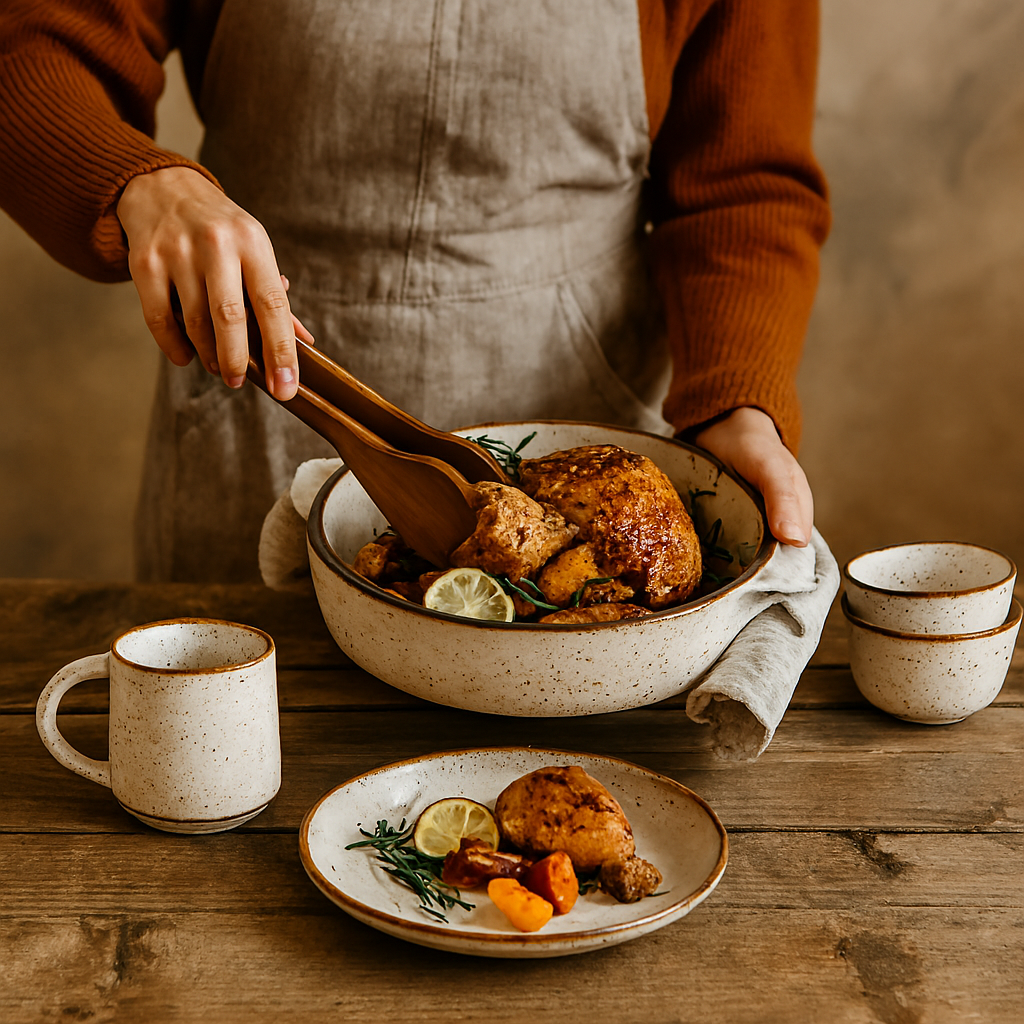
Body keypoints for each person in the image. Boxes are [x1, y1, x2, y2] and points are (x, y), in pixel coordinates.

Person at [0, 0, 829, 582]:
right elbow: (30, 45)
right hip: (255, 388)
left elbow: (741, 184)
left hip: (586, 417)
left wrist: (735, 403)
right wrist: (144, 186)